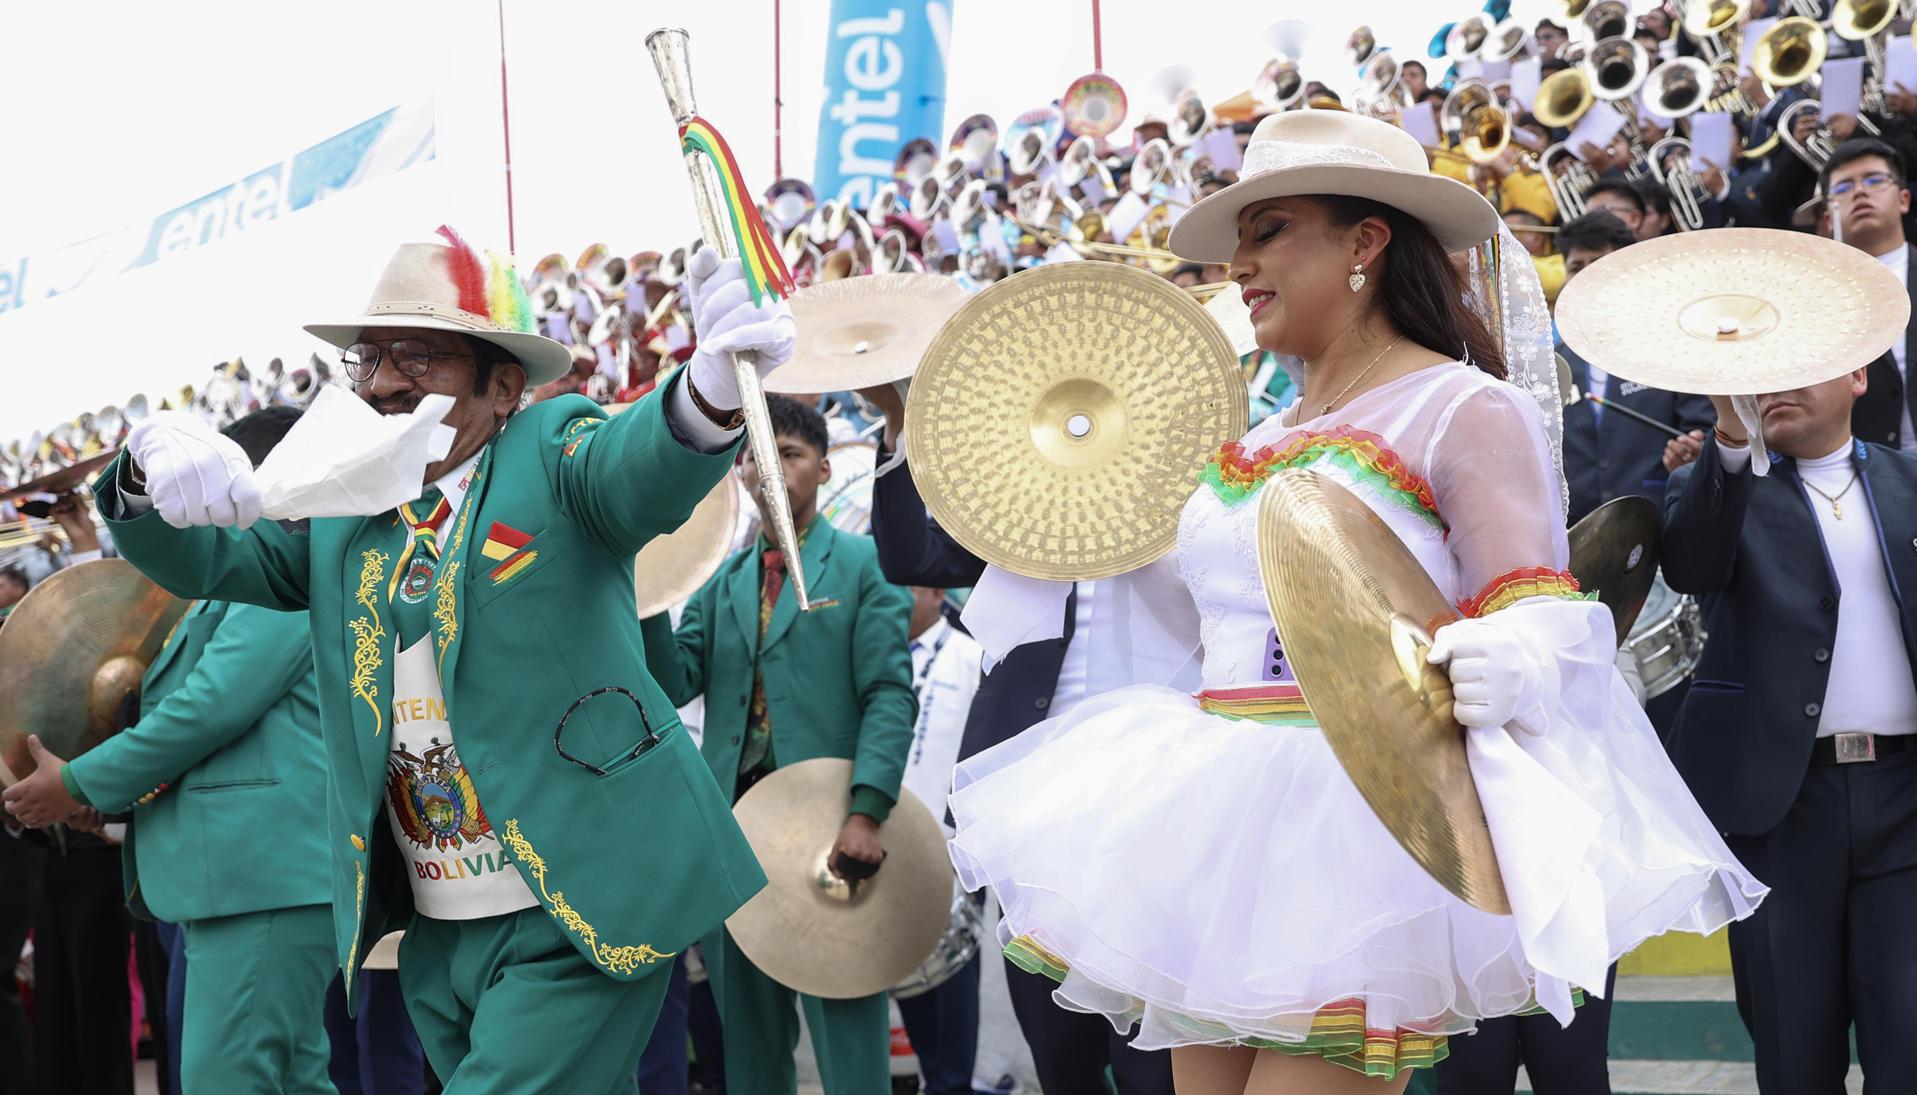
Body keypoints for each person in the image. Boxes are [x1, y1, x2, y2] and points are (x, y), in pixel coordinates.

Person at [944, 109, 1763, 1095]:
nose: (1239, 265)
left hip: (1363, 818)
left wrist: (1514, 657)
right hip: (1216, 810)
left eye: (1270, 230)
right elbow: (1213, 622)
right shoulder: (1257, 438)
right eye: (1240, 239)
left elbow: (1547, 610)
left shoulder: (1462, 406)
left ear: (1365, 242)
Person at [90, 228, 786, 1093]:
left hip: (584, 902)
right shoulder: (348, 513)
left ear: (504, 387)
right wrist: (140, 474)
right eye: (370, 358)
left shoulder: (551, 448)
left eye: (418, 355)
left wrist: (706, 392)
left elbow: (634, 465)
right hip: (441, 927)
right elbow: (211, 559)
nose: (384, 381)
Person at [858, 377, 1179, 1095]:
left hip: (1150, 797)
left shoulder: (1187, 501)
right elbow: (911, 558)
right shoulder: (1025, 507)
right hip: (1028, 797)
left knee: (1150, 1055)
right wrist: (898, 418)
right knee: (1057, 1047)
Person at [3, 408, 337, 1094]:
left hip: (260, 871)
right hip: (243, 873)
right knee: (289, 1076)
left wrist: (80, 782)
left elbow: (210, 708)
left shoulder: (285, 570)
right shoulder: (245, 578)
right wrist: (111, 803)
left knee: (228, 1078)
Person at [640, 394, 917, 1095]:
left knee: (849, 1042)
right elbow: (673, 682)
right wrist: (649, 596)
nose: (768, 469)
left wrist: (867, 810)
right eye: (753, 459)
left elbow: (889, 693)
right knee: (750, 1046)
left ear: (823, 468)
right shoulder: (718, 581)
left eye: (787, 454)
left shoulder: (863, 563)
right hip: (734, 837)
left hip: (832, 827)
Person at [1662, 369, 1917, 1092]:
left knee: (1908, 1045)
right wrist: (1728, 433)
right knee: (1793, 1052)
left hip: (1905, 799)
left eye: (1801, 368)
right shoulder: (1722, 486)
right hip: (1779, 810)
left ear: (1857, 375)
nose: (1777, 387)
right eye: (1763, 376)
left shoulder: (1906, 481)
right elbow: (1689, 564)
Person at [1553, 212, 1715, 523]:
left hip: (1662, 526)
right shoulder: (1553, 364)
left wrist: (1692, 450)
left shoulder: (1671, 349)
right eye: (1576, 267)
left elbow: (1705, 433)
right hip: (1577, 537)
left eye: (1598, 263)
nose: (1585, 276)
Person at [893, 585, 987, 1095]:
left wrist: (967, 834)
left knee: (953, 973)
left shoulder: (969, 656)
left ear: (935, 594)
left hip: (951, 844)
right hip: (892, 844)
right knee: (906, 969)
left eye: (908, 587)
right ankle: (928, 1077)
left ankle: (952, 1084)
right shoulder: (880, 655)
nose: (896, 597)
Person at [1820, 139, 1917, 451]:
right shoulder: (1817, 300)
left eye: (1875, 180)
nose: (1860, 191)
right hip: (1868, 467)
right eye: (1843, 187)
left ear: (1904, 199)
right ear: (1827, 217)